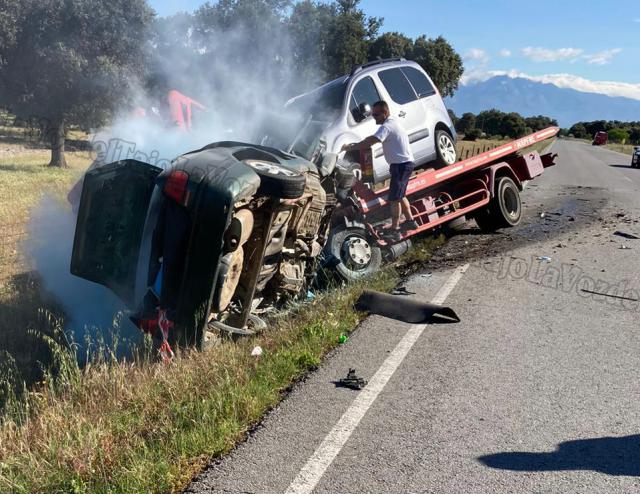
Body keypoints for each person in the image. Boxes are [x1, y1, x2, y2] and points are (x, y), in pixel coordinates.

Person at [341, 100, 418, 242]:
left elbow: (371, 141)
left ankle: (395, 230)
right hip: (402, 165)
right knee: (400, 196)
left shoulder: (388, 126)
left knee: (394, 198)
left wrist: (349, 147)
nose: (374, 117)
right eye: (372, 114)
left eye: (376, 114)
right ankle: (410, 221)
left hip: (401, 165)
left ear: (385, 112)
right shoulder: (393, 123)